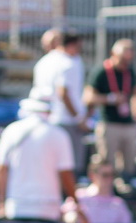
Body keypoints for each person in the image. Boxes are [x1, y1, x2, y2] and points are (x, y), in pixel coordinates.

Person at [0, 92, 86, 223]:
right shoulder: (59, 135)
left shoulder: (11, 130)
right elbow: (66, 174)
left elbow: (1, 168)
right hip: (48, 210)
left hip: (18, 207)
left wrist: (2, 202)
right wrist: (77, 204)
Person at [85, 38, 136, 177]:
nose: (125, 63)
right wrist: (110, 99)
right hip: (109, 123)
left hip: (128, 124)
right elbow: (88, 97)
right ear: (113, 54)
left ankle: (128, 189)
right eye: (123, 59)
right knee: (107, 162)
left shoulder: (130, 72)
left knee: (130, 164)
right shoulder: (101, 71)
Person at [48, 31, 88, 171]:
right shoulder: (67, 63)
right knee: (70, 164)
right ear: (71, 45)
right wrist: (78, 117)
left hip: (55, 118)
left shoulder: (49, 60)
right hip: (65, 120)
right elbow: (63, 93)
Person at [63, 156, 132, 223]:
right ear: (92, 176)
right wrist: (72, 218)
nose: (110, 179)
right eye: (105, 175)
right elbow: (65, 217)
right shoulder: (78, 197)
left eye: (112, 175)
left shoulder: (119, 204)